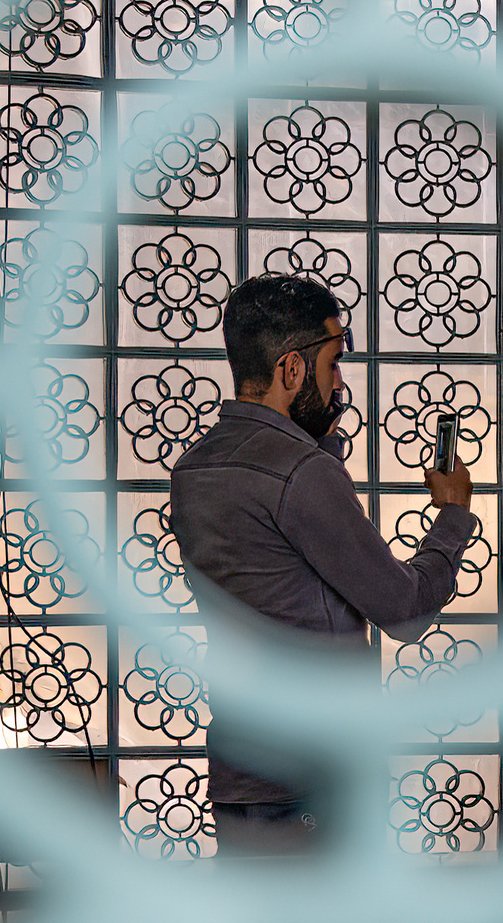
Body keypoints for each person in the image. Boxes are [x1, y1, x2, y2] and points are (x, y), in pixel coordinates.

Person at [169, 274, 477, 856]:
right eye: (333, 363)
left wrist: (319, 448)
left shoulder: (195, 469)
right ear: (291, 370)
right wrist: (454, 514)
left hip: (243, 776)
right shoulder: (300, 474)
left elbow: (278, 570)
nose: (340, 383)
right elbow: (404, 609)